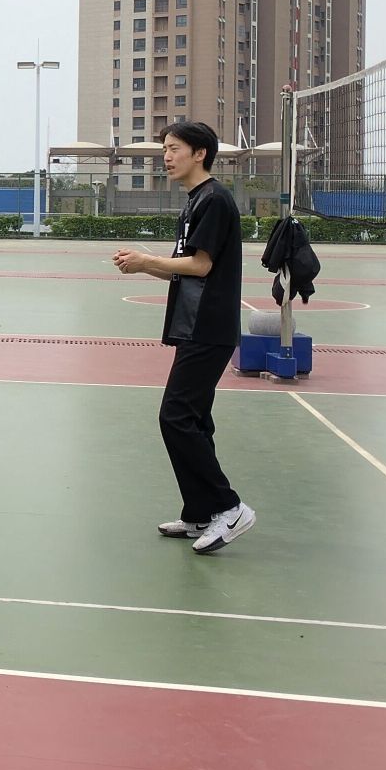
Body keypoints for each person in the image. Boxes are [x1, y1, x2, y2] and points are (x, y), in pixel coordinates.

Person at [114, 120, 256, 555]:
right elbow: (183, 267)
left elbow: (201, 266)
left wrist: (146, 260)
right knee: (194, 420)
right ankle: (200, 512)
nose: (167, 157)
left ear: (200, 153)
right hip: (194, 325)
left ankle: (229, 507)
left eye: (174, 148)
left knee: (175, 416)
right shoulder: (197, 201)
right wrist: (142, 265)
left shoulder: (214, 199)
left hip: (208, 326)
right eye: (165, 150)